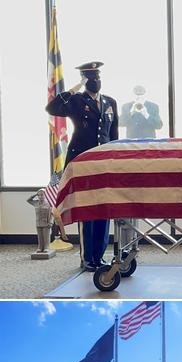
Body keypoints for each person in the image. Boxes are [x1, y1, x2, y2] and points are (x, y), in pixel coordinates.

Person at [45, 61, 118, 271]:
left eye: (98, 77)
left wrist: (115, 159)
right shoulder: (76, 100)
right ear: (85, 80)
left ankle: (99, 255)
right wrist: (76, 87)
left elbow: (113, 136)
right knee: (87, 211)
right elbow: (52, 107)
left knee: (104, 209)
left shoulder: (110, 102)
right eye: (92, 78)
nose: (96, 81)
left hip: (104, 162)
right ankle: (87, 258)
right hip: (82, 162)